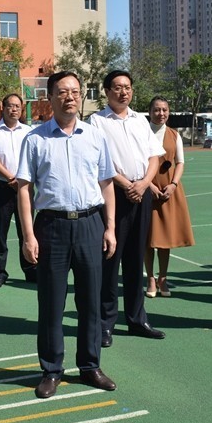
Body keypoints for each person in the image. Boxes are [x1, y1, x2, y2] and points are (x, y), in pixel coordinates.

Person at [16, 71, 118, 399]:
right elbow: (24, 188)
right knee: (51, 302)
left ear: (82, 95)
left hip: (90, 223)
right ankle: (51, 369)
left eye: (75, 91)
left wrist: (110, 226)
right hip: (52, 227)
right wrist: (28, 236)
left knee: (90, 300)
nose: (69, 97)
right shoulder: (35, 139)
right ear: (51, 97)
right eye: (62, 92)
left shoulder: (96, 136)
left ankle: (90, 366)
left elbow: (106, 183)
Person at [89, 70, 166, 346]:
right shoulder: (96, 122)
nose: (124, 92)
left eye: (128, 87)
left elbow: (154, 156)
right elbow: (100, 164)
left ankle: (137, 319)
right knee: (111, 260)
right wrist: (127, 185)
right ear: (107, 91)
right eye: (118, 87)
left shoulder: (140, 121)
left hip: (141, 193)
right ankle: (106, 324)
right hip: (114, 196)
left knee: (136, 260)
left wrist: (144, 183)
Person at [0, 93, 36, 289]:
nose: (14, 109)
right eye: (10, 106)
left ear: (21, 109)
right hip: (2, 189)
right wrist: (11, 179)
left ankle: (30, 269)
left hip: (25, 188)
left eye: (17, 106)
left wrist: (22, 182)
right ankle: (0, 272)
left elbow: (34, 158)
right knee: (0, 233)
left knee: (27, 230)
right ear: (3, 108)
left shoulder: (29, 131)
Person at [145, 97, 195, 298]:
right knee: (148, 239)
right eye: (157, 110)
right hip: (146, 191)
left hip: (168, 192)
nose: (161, 113)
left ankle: (163, 278)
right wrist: (147, 185)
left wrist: (173, 184)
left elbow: (180, 162)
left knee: (165, 238)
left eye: (165, 109)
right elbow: (136, 163)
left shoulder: (174, 135)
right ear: (149, 111)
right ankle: (150, 278)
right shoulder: (141, 133)